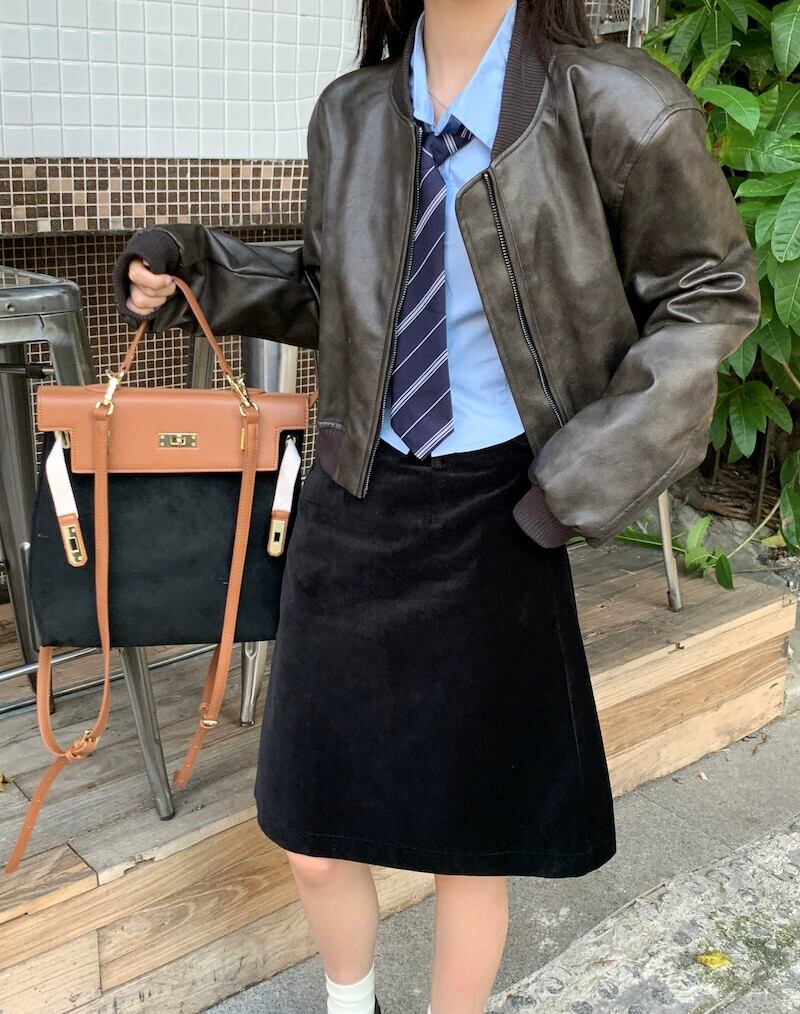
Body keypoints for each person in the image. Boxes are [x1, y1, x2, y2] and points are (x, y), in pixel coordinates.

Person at [111, 1, 761, 1011]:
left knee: (470, 841)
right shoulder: (352, 111)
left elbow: (709, 295)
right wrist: (197, 262)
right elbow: (334, 294)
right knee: (313, 836)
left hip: (502, 508)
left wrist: (574, 484)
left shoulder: (619, 102)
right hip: (352, 499)